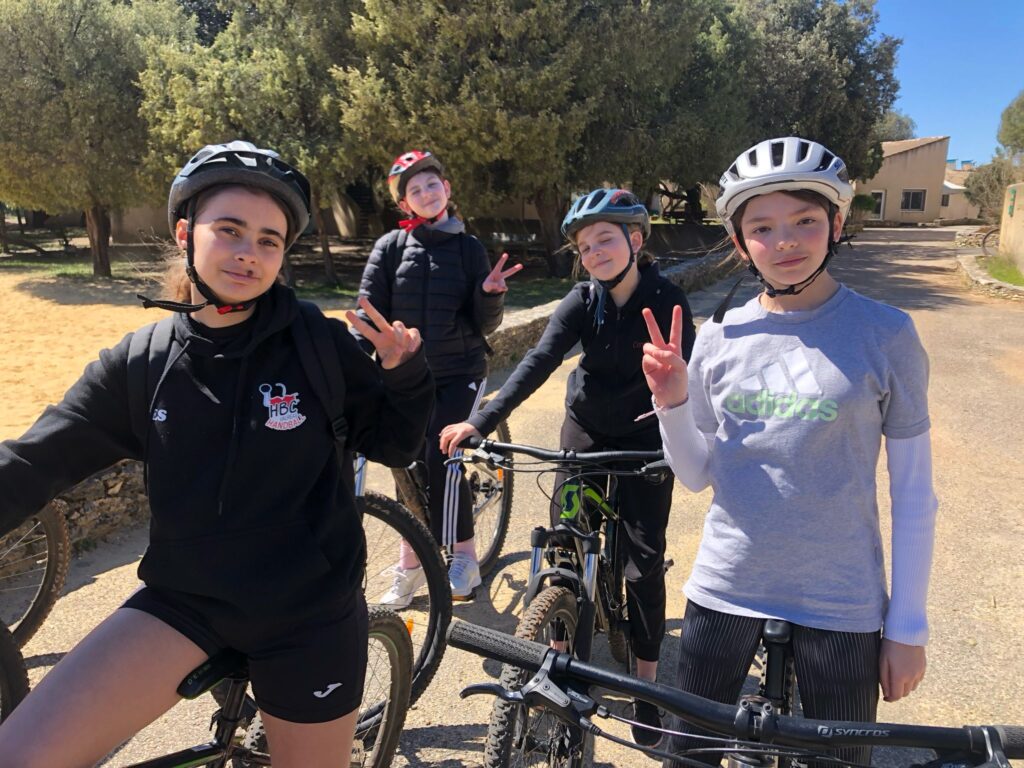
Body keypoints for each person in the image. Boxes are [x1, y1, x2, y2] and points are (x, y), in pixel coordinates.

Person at [0, 140, 433, 768]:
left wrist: (406, 377)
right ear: (185, 233)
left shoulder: (318, 347)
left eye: (268, 240)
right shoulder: (142, 363)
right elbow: (35, 462)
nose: (248, 252)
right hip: (185, 603)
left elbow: (394, 444)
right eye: (229, 230)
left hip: (308, 617)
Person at [642, 137, 938, 766]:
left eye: (804, 220)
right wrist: (672, 402)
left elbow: (914, 493)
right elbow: (695, 475)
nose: (785, 242)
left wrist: (907, 628)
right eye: (762, 228)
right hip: (726, 584)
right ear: (740, 241)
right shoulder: (721, 336)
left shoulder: (887, 333)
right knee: (689, 756)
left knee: (839, 762)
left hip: (842, 600)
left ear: (836, 223)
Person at [441, 187, 696, 746]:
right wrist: (481, 421)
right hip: (587, 427)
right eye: (584, 247)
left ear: (635, 239)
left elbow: (688, 381)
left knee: (643, 565)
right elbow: (538, 361)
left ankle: (645, 686)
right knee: (563, 544)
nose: (594, 253)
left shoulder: (667, 299)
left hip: (645, 436)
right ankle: (562, 666)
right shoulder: (582, 300)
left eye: (605, 240)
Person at [355, 149, 522, 602]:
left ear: (446, 189)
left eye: (432, 184)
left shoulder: (469, 249)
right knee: (405, 460)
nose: (426, 193)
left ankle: (463, 557)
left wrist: (490, 294)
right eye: (415, 189)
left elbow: (484, 324)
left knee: (442, 450)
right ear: (404, 202)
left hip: (460, 370)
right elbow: (368, 313)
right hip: (407, 376)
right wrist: (352, 362)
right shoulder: (390, 248)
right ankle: (410, 564)